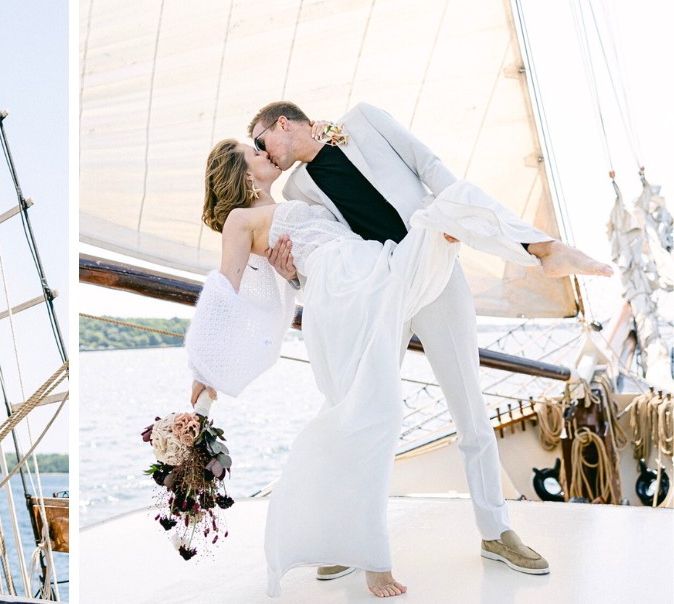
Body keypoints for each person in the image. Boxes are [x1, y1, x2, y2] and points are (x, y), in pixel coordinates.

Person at [187, 137, 610, 597]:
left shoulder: (304, 187)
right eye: (255, 152)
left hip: (379, 268)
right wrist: (205, 372)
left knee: (452, 203)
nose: (265, 153)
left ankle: (546, 250)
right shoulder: (241, 220)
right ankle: (370, 559)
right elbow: (229, 290)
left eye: (264, 144)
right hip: (343, 293)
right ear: (245, 173)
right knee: (376, 418)